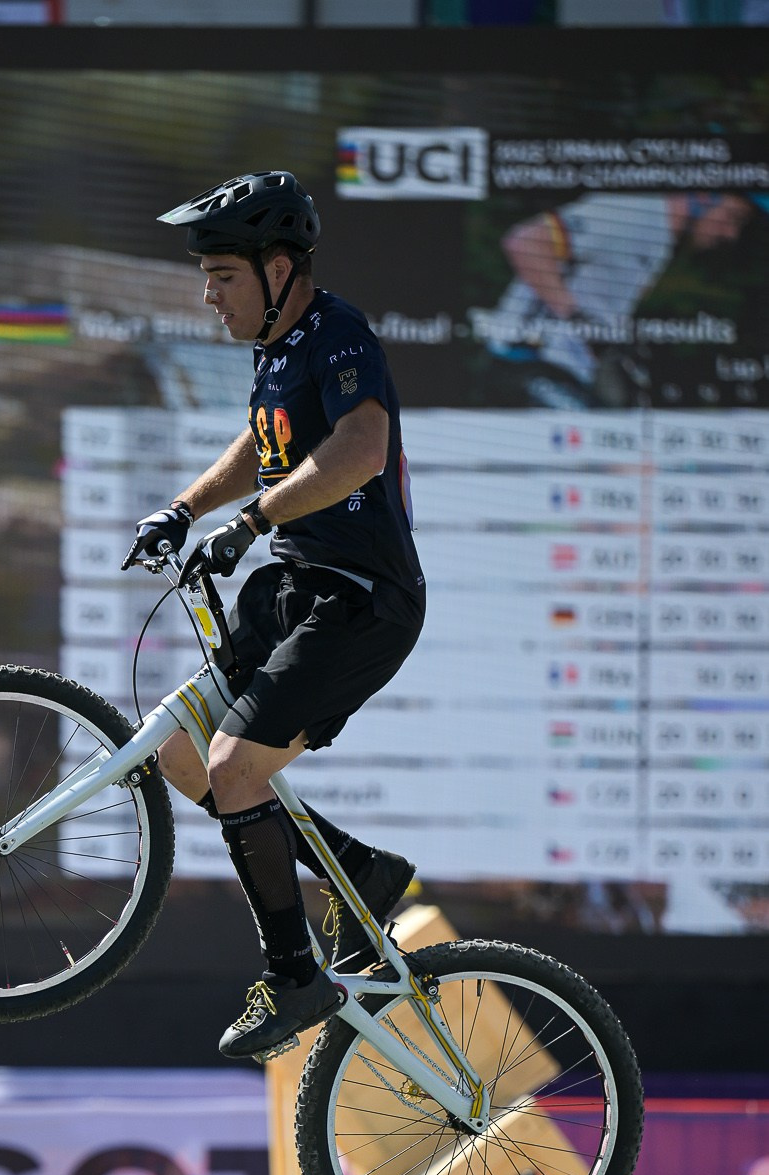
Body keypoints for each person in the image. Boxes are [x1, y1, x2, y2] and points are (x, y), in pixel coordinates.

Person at [123, 170, 425, 1063]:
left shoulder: (337, 335)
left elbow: (359, 451)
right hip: (294, 591)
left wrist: (250, 521)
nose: (206, 294)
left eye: (221, 274)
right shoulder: (280, 349)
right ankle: (360, 873)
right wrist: (184, 508)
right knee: (176, 752)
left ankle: (295, 975)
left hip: (357, 601)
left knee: (232, 766)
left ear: (279, 268)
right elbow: (265, 443)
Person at [481, 192, 762, 407]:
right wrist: (578, 319)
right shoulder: (632, 214)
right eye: (732, 217)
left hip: (564, 374)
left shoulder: (660, 238)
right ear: (702, 197)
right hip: (525, 361)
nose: (731, 234)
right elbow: (525, 241)